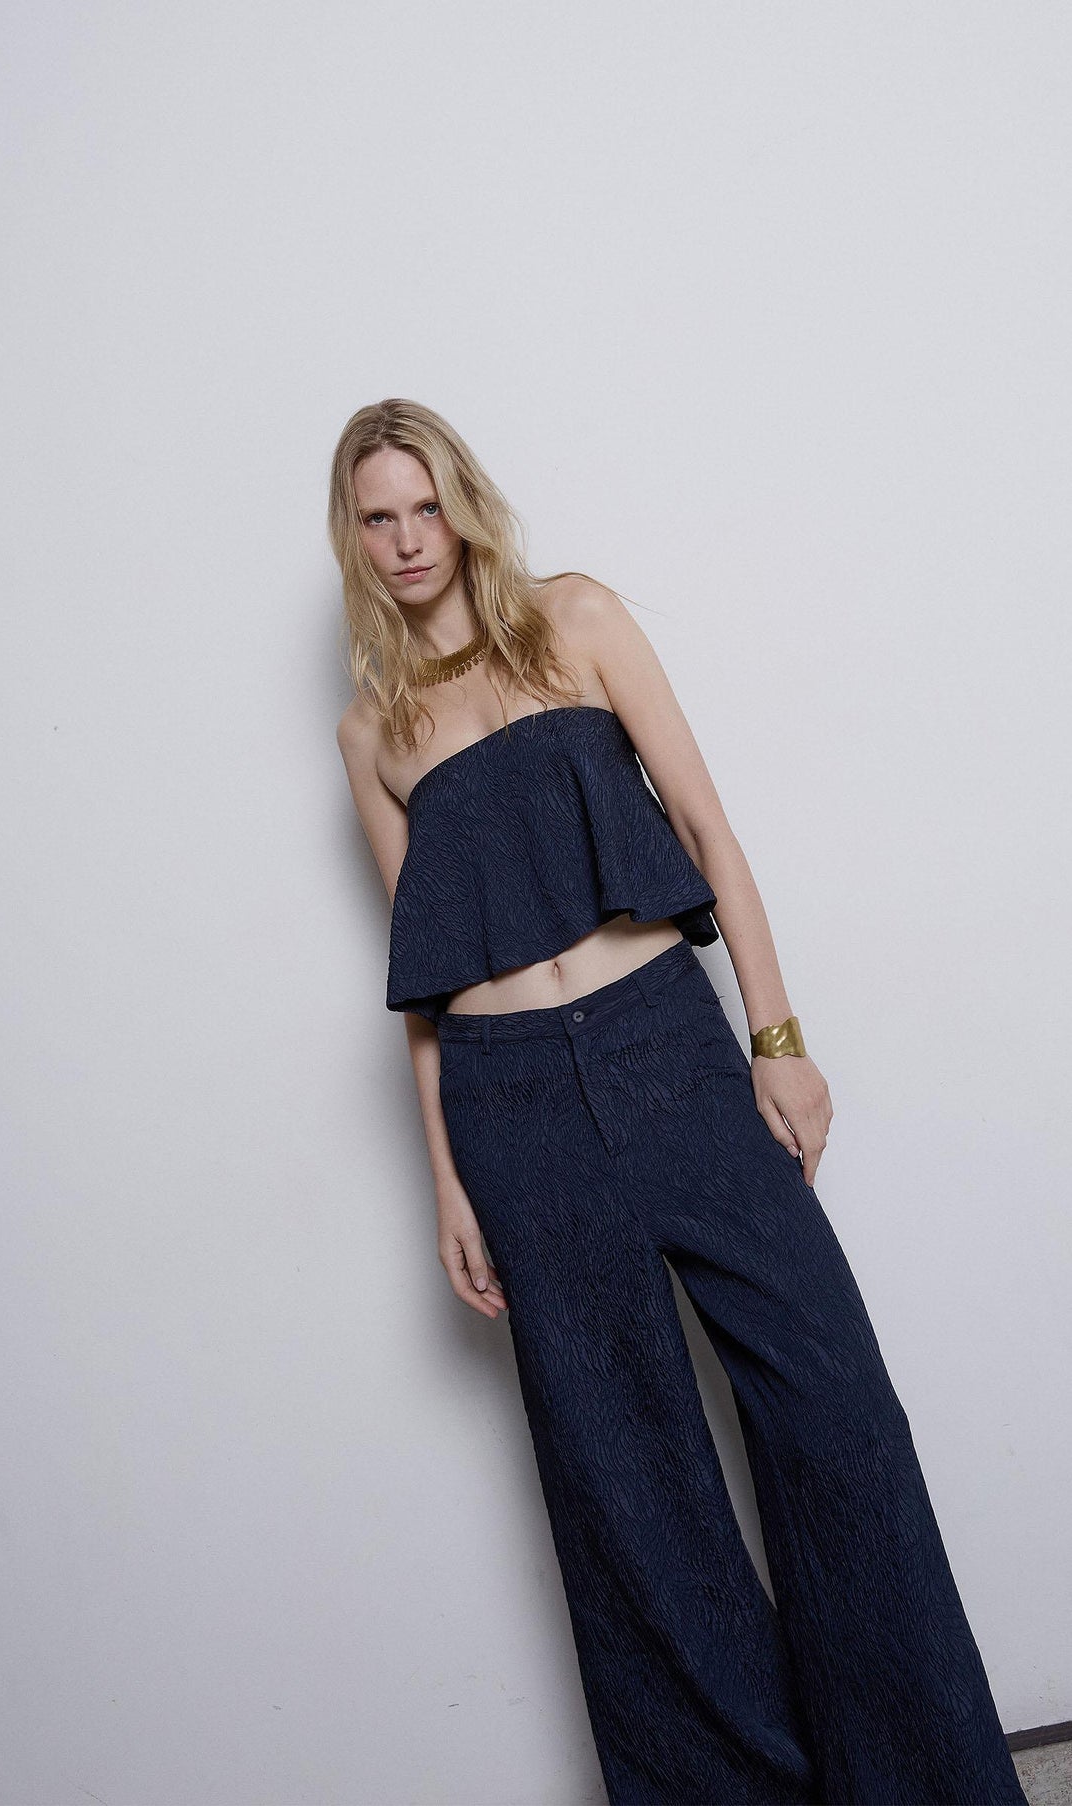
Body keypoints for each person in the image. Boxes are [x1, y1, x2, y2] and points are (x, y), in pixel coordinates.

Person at [330, 398, 1028, 1806]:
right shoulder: (374, 732)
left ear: (463, 503)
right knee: (625, 1480)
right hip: (509, 1105)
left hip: (668, 1047)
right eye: (377, 518)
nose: (408, 540)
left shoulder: (574, 620)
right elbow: (421, 981)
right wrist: (446, 1182)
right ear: (353, 540)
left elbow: (707, 826)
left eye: (425, 505)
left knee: (833, 1409)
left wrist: (778, 1036)